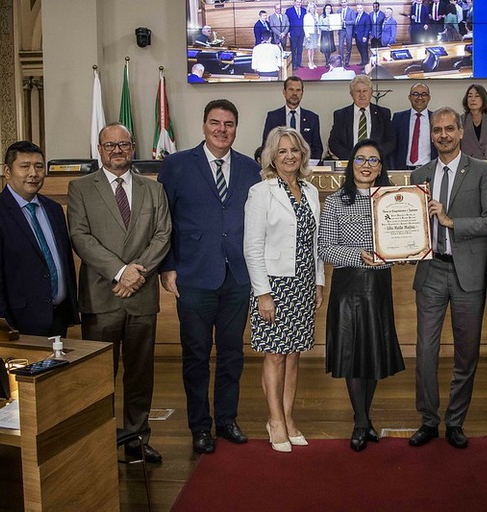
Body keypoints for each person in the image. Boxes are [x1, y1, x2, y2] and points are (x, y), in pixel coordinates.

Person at [158, 99, 261, 454]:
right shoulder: (175, 166)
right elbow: (163, 220)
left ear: (236, 128)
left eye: (229, 124)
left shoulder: (251, 168)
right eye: (215, 123)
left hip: (238, 275)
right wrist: (167, 266)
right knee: (196, 355)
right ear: (204, 126)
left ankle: (227, 420)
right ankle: (200, 426)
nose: (222, 130)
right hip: (193, 274)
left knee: (232, 353)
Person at [67, 123, 172, 464]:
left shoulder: (152, 189)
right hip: (102, 296)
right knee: (99, 377)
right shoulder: (80, 188)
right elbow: (80, 237)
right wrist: (120, 271)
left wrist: (135, 273)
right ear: (99, 149)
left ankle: (137, 441)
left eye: (123, 145)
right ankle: (98, 441)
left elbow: (162, 235)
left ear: (133, 147)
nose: (117, 150)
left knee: (140, 374)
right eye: (109, 145)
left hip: (140, 297)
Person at [408, 107, 487, 449]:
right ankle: (429, 420)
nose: (444, 135)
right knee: (425, 352)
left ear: (461, 132)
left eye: (450, 129)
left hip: (468, 274)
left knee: (467, 353)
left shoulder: (481, 171)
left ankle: (456, 421)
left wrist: (451, 222)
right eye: (437, 130)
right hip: (431, 271)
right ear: (431, 134)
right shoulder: (420, 173)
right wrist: (404, 246)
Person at [318, 138, 405, 451]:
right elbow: (325, 248)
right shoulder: (336, 201)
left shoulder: (395, 199)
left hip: (380, 286)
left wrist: (407, 251)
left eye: (373, 160)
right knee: (355, 354)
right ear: (350, 164)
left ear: (381, 166)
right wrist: (359, 254)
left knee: (373, 352)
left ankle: (364, 418)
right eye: (360, 159)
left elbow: (402, 239)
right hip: (350, 286)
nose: (367, 165)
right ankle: (360, 422)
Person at [244, 127, 324, 453]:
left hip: (304, 281)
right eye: (282, 151)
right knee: (275, 354)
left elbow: (315, 243)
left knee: (295, 355)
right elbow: (251, 247)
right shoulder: (260, 192)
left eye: (294, 150)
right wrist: (263, 293)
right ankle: (274, 420)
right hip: (274, 284)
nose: (289, 156)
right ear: (272, 158)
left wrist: (319, 281)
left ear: (302, 154)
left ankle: (289, 419)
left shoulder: (311, 190)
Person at [0, 141, 79, 337]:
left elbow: (64, 262)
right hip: (19, 325)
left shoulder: (54, 209)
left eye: (38, 166)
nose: (33, 173)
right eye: (25, 166)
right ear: (8, 171)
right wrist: (5, 328)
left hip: (58, 320)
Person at [328, 75, 395, 162]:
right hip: (349, 164)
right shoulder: (341, 115)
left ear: (371, 93)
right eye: (358, 91)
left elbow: (391, 141)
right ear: (352, 94)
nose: (362, 95)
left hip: (376, 164)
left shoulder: (383, 114)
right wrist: (353, 159)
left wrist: (375, 156)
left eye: (365, 91)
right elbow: (334, 142)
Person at [262, 76, 323, 161]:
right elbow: (267, 145)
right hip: (280, 165)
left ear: (302, 93)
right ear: (284, 92)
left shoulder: (312, 118)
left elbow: (317, 148)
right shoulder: (273, 117)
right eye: (291, 90)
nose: (295, 93)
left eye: (298, 90)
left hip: (305, 166)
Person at [391, 82, 436, 170]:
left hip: (429, 169)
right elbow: (393, 147)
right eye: (415, 94)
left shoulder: (436, 119)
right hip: (403, 169)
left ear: (429, 98)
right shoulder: (398, 118)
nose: (419, 97)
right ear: (410, 97)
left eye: (424, 94)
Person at [285, 0, 307, 69]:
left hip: (301, 32)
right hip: (293, 32)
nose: (298, 3)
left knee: (300, 49)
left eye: (300, 2)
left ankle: (299, 63)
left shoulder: (304, 10)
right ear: (294, 3)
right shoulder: (289, 10)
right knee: (293, 49)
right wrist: (288, 32)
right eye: (297, 2)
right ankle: (293, 64)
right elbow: (287, 22)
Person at [337, 0, 355, 67]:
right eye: (342, 2)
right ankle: (341, 61)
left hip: (348, 30)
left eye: (344, 2)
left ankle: (347, 62)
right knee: (340, 46)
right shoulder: (338, 11)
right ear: (340, 3)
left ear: (347, 3)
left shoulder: (351, 10)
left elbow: (353, 21)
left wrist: (345, 22)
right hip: (341, 30)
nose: (343, 3)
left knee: (349, 47)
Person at [303, 3, 320, 69]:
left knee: (313, 49)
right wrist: (307, 36)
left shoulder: (316, 15)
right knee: (310, 49)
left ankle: (312, 62)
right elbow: (305, 27)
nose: (312, 9)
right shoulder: (306, 16)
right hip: (309, 34)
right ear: (309, 9)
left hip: (315, 33)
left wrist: (318, 33)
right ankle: (309, 62)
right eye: (311, 8)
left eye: (313, 7)